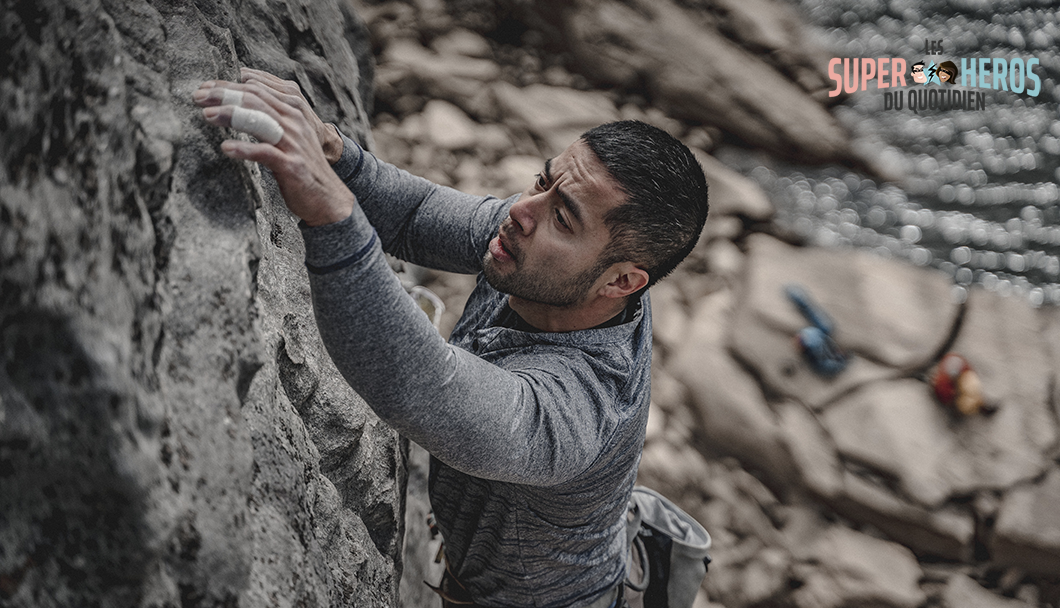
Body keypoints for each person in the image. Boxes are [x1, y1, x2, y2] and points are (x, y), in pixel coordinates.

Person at [193, 68, 708, 608]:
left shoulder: (576, 411)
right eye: (543, 179)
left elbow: (422, 387)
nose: (519, 211)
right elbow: (415, 216)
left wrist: (330, 213)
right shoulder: (546, 256)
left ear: (622, 281)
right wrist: (337, 155)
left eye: (563, 217)